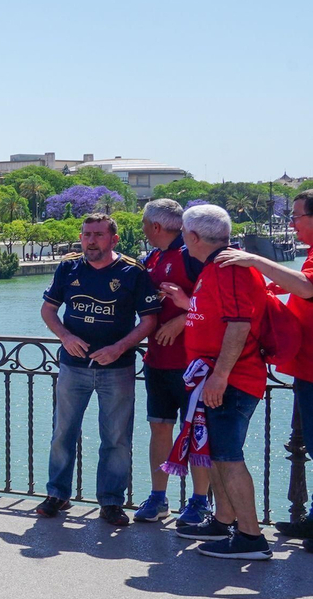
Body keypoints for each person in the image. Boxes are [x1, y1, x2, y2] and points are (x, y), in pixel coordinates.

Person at [161, 204, 274, 559]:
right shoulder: (218, 267)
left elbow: (239, 325)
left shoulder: (229, 268)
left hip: (230, 379)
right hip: (217, 377)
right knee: (218, 454)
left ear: (192, 236)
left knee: (228, 457)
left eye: (183, 235)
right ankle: (224, 521)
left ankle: (251, 538)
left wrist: (220, 377)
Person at [35, 214, 160, 525]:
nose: (91, 240)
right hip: (72, 366)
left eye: (98, 235)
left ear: (113, 239)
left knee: (116, 437)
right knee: (63, 432)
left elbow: (149, 320)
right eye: (86, 234)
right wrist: (66, 336)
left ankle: (111, 502)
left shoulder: (132, 272)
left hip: (117, 368)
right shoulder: (68, 267)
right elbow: (49, 310)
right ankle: (57, 495)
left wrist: (120, 347)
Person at [216, 187, 313, 548]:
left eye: (298, 216)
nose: (293, 223)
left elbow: (306, 288)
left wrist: (254, 261)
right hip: (305, 367)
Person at [133, 199, 213, 526]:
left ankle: (199, 502)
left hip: (193, 365)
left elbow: (215, 302)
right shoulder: (152, 258)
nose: (141, 229)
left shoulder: (193, 257)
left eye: (143, 224)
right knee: (159, 428)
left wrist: (183, 319)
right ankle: (158, 497)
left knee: (197, 432)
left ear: (154, 226)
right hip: (157, 361)